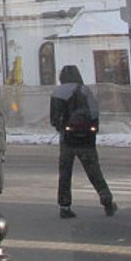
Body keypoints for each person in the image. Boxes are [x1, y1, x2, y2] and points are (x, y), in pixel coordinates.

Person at [50, 64, 117, 219]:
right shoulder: (85, 90)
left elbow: (54, 119)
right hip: (86, 141)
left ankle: (65, 206)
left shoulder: (58, 92)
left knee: (65, 174)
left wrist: (63, 128)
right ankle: (107, 201)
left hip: (67, 141)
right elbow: (94, 113)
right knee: (94, 172)